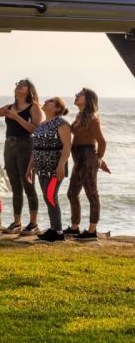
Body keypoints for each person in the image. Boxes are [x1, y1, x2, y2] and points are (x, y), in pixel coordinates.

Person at [0, 75, 43, 233]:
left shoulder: (34, 107)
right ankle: (17, 222)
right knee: (15, 187)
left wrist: (16, 117)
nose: (20, 85)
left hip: (26, 145)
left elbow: (36, 130)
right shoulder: (10, 107)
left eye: (23, 84)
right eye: (18, 83)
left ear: (29, 90)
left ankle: (33, 223)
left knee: (29, 185)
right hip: (9, 145)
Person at [27, 97, 72, 243]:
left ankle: (58, 232)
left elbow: (67, 146)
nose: (46, 101)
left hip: (55, 168)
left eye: (50, 101)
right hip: (41, 168)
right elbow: (36, 149)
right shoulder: (41, 125)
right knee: (47, 197)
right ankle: (53, 229)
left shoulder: (62, 123)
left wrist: (61, 165)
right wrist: (29, 168)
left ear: (57, 108)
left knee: (51, 196)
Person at [66, 88, 109, 240]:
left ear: (88, 98)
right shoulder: (80, 115)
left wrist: (98, 159)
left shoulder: (92, 117)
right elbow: (71, 131)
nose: (76, 95)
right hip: (77, 157)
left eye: (80, 94)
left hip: (88, 156)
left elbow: (102, 142)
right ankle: (74, 227)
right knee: (72, 193)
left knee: (92, 194)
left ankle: (92, 231)